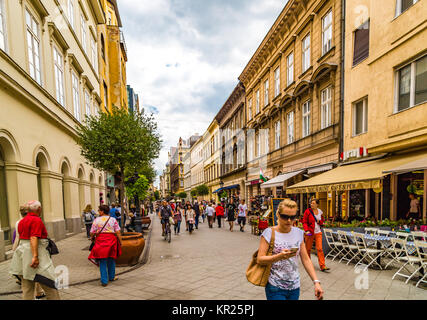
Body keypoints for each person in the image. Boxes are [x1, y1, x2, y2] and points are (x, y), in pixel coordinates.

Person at [257, 199, 324, 300]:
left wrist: (316, 282)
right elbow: (260, 259)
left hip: (294, 287)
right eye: (285, 217)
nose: (289, 220)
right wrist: (278, 256)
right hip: (275, 286)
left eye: (292, 217)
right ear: (278, 215)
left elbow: (305, 259)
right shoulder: (268, 233)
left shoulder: (298, 232)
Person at [9, 200, 60, 300]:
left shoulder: (21, 221)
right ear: (39, 209)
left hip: (23, 256)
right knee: (49, 284)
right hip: (35, 255)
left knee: (27, 288)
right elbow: (33, 238)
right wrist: (35, 257)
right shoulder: (36, 220)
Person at [11, 204, 46, 299]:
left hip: (20, 249)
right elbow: (33, 237)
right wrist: (35, 255)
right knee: (35, 273)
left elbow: (17, 237)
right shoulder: (33, 220)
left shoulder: (19, 222)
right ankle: (38, 292)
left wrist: (14, 248)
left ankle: (38, 292)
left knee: (26, 277)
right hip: (30, 250)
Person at [88, 205, 122, 287]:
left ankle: (104, 281)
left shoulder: (97, 220)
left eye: (99, 210)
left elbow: (92, 232)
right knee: (111, 258)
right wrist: (120, 241)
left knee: (102, 261)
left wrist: (92, 236)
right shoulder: (113, 219)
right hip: (111, 240)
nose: (98, 211)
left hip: (101, 241)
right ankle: (112, 277)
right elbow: (117, 232)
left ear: (102, 211)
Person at [302, 198, 330, 272]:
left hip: (318, 232)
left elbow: (322, 222)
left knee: (320, 249)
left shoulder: (320, 212)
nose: (312, 204)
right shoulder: (307, 211)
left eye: (313, 203)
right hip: (310, 232)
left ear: (317, 204)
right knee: (308, 249)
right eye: (311, 203)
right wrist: (306, 230)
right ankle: (307, 263)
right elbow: (304, 222)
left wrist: (319, 221)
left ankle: (322, 266)